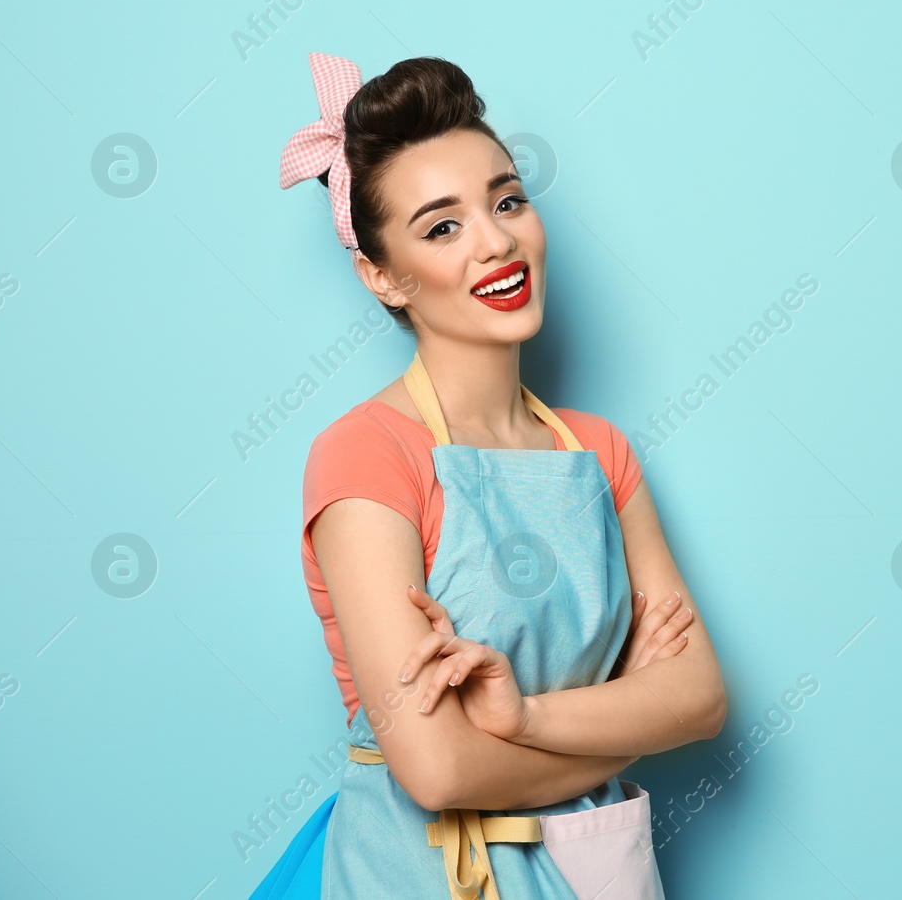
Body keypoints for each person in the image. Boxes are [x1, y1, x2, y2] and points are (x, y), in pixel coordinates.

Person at [251, 52, 726, 900]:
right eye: (443, 227)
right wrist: (624, 727)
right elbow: (435, 769)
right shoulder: (366, 455)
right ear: (382, 275)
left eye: (506, 200)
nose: (497, 240)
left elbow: (699, 697)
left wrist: (524, 717)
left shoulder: (598, 451)